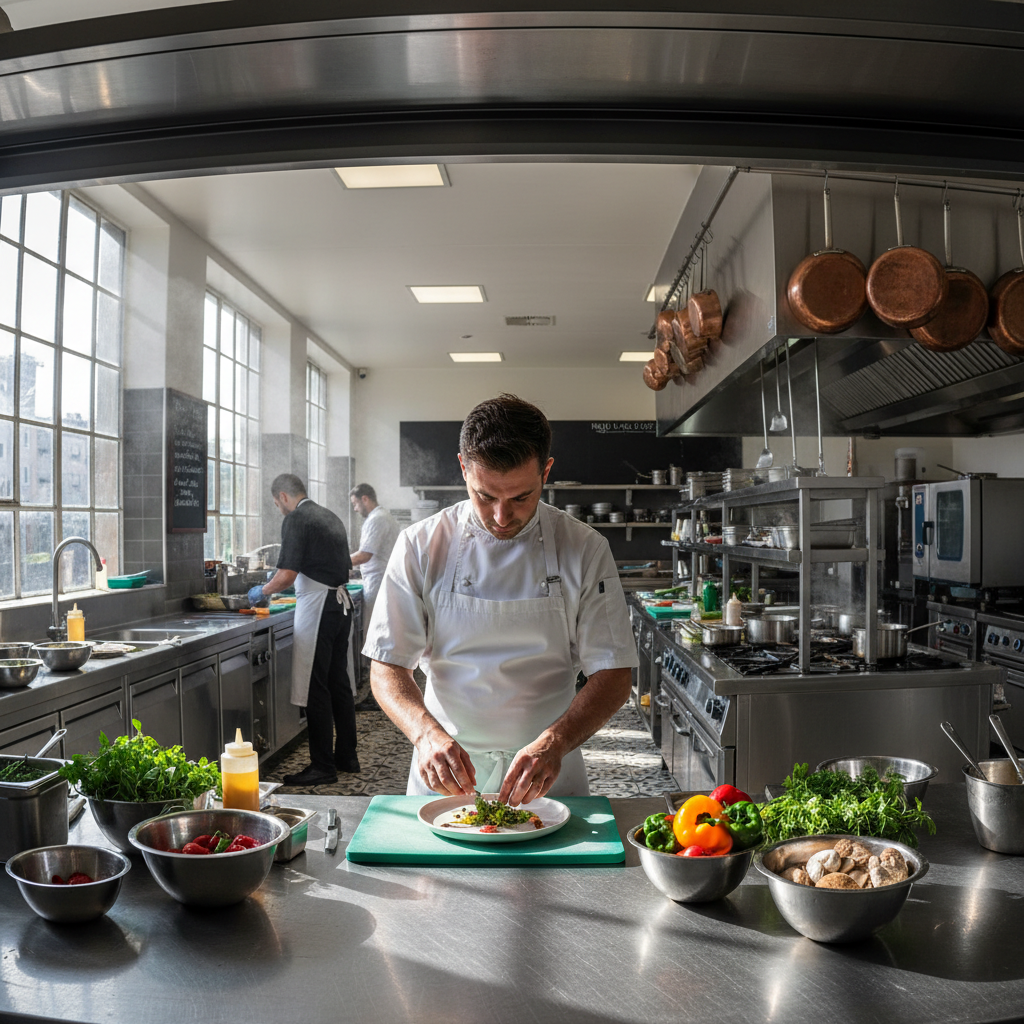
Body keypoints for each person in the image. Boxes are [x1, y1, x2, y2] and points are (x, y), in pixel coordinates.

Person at [364, 394, 638, 806]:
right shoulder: (420, 545)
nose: (501, 517)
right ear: (463, 468)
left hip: (548, 772)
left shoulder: (585, 548)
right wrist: (424, 734)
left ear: (546, 471)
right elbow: (386, 665)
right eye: (486, 496)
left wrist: (554, 742)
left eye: (521, 497)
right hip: (445, 770)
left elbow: (614, 675)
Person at [249, 473, 358, 785]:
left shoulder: (297, 519)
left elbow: (286, 574)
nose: (279, 509)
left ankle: (322, 766)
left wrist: (263, 591)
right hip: (340, 604)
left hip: (319, 605)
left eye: (277, 504)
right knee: (338, 681)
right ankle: (347, 756)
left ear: (284, 496)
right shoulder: (328, 515)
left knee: (315, 687)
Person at [349, 483, 401, 627]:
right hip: (381, 580)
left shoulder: (377, 518)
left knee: (375, 631)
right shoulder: (382, 515)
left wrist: (335, 563)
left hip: (378, 582)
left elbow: (365, 555)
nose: (355, 509)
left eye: (355, 504)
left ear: (365, 499)